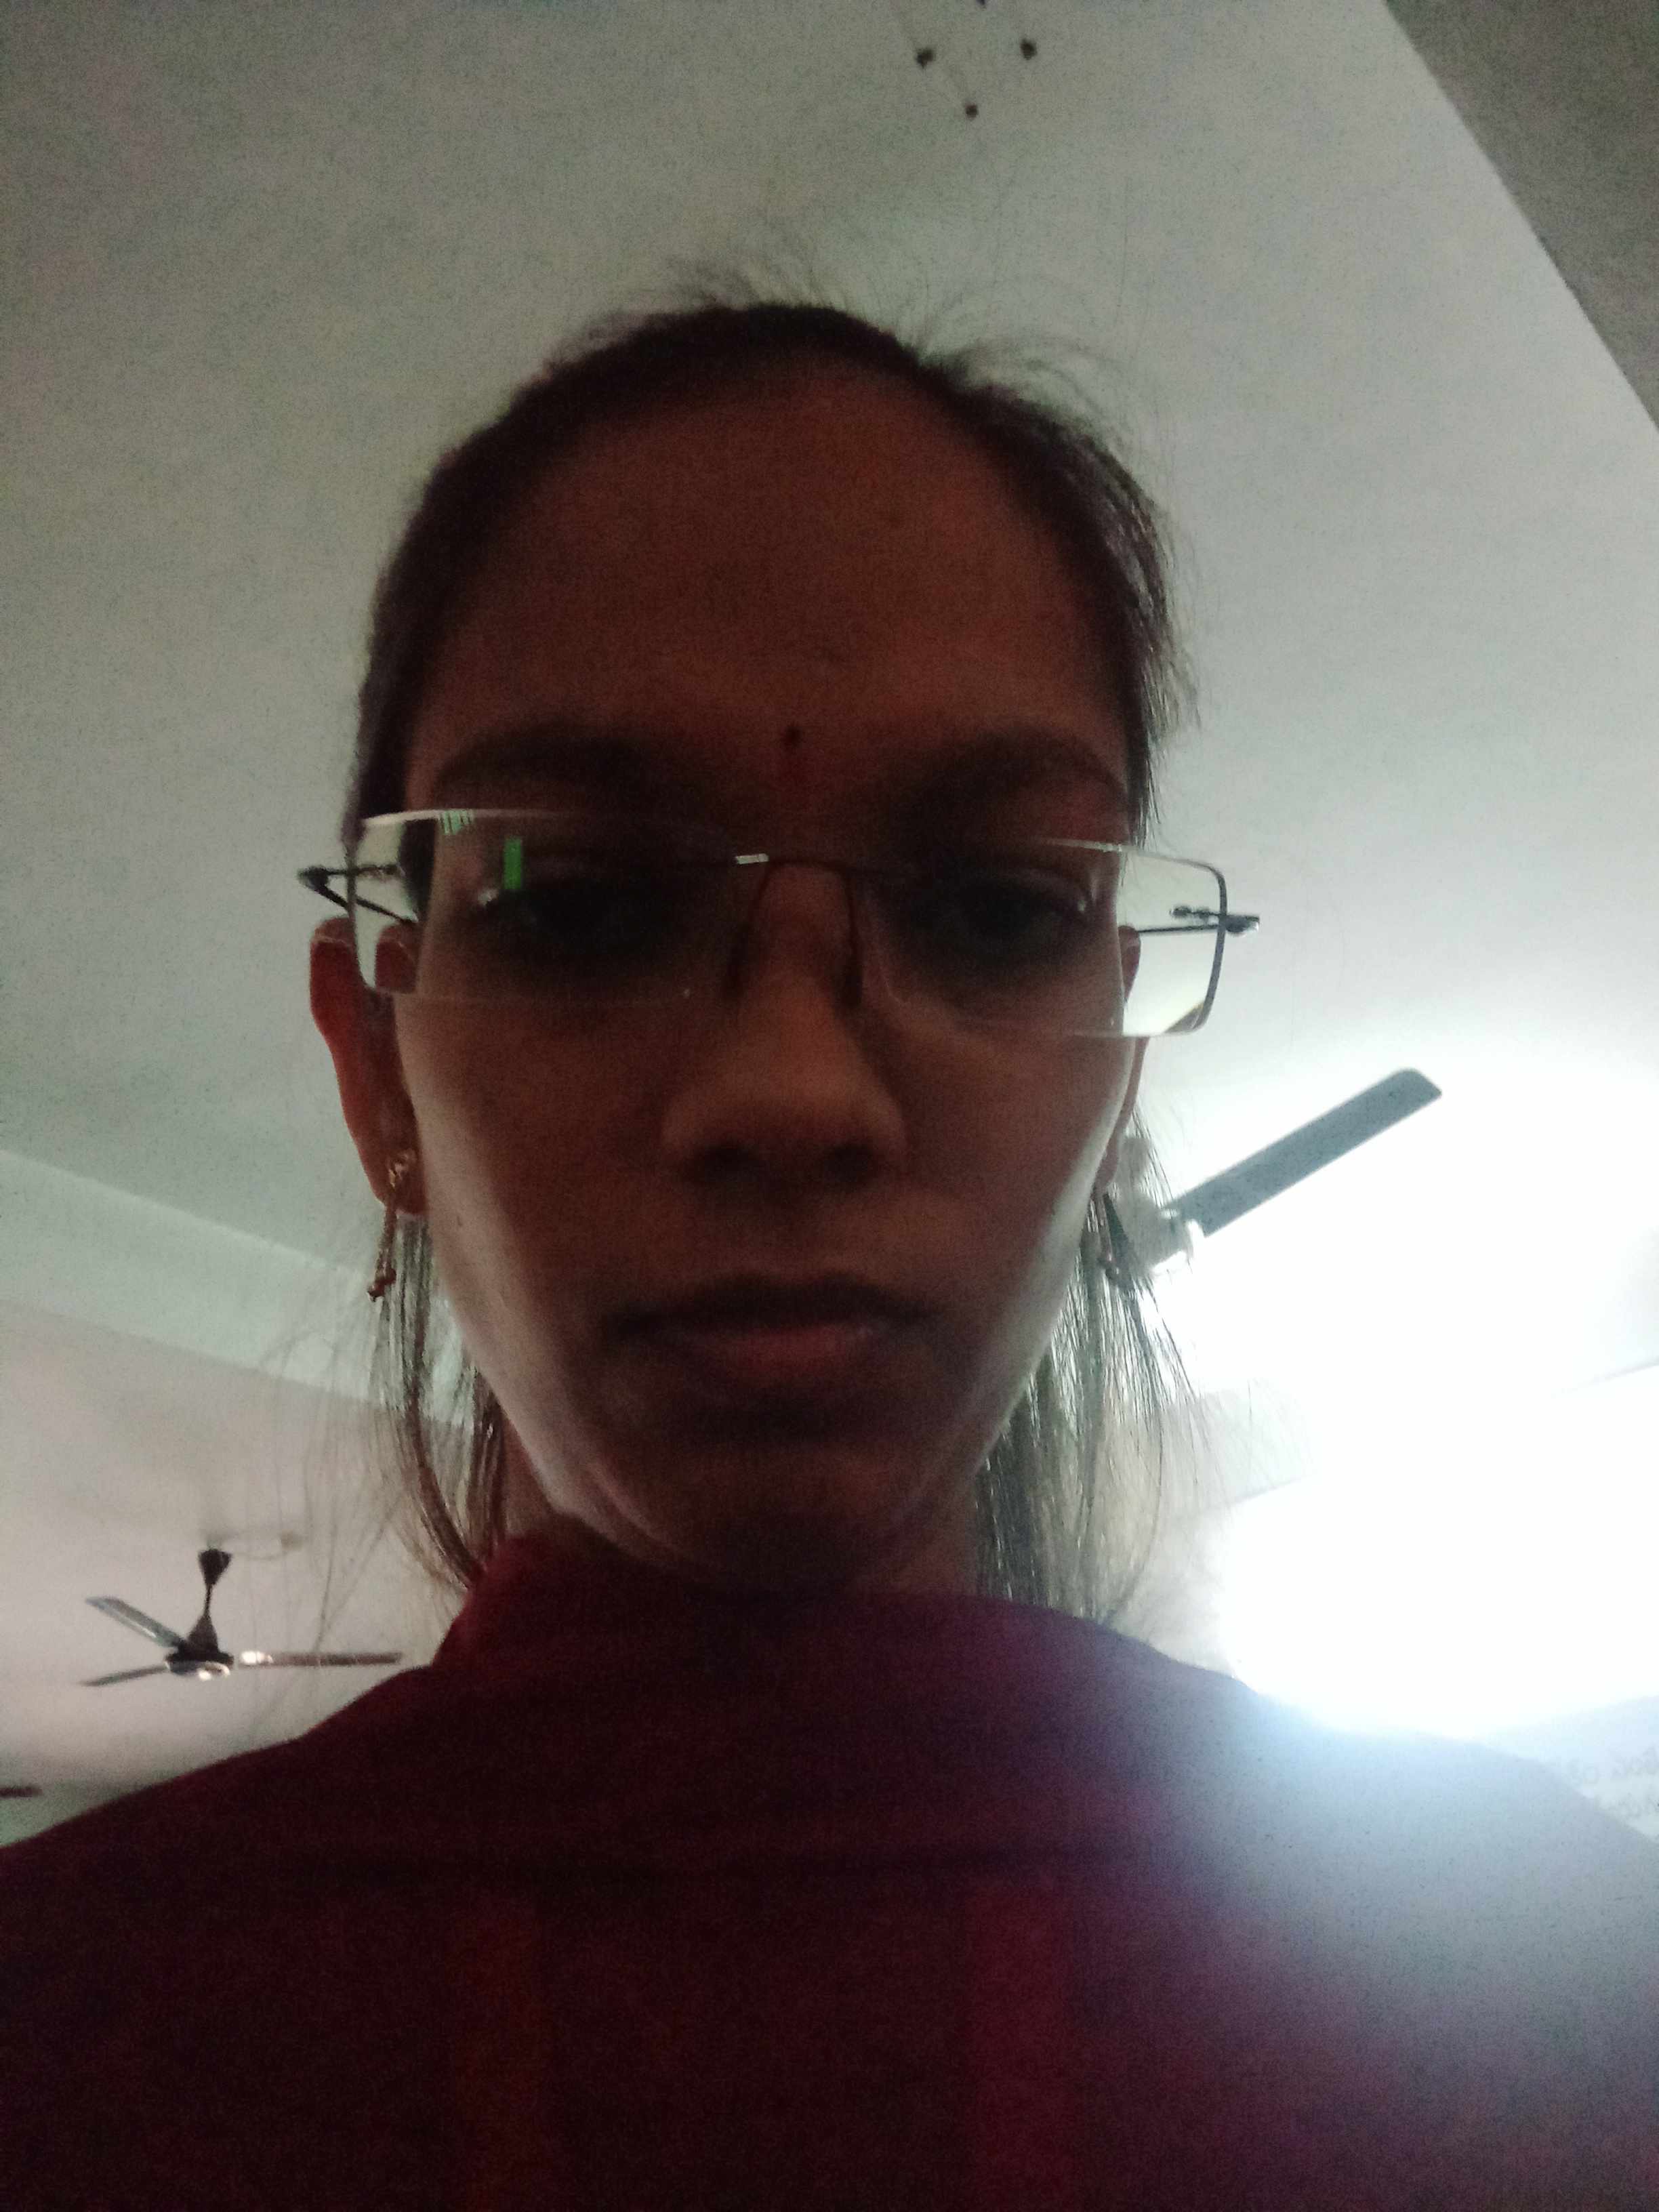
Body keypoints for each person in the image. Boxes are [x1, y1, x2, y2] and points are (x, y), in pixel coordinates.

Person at [3, 290, 1655, 2211]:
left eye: (999, 907)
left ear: (1120, 1074)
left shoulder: (1563, 1998)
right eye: (577, 899)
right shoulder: (56, 2047)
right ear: (379, 1063)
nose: (792, 1093)